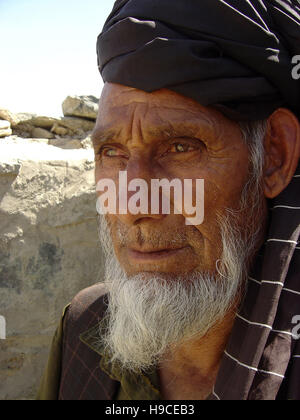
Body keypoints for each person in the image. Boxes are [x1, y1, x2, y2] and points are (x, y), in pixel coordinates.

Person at [37, 0, 300, 400]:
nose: (131, 205)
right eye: (111, 152)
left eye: (180, 147)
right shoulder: (84, 326)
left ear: (274, 156)